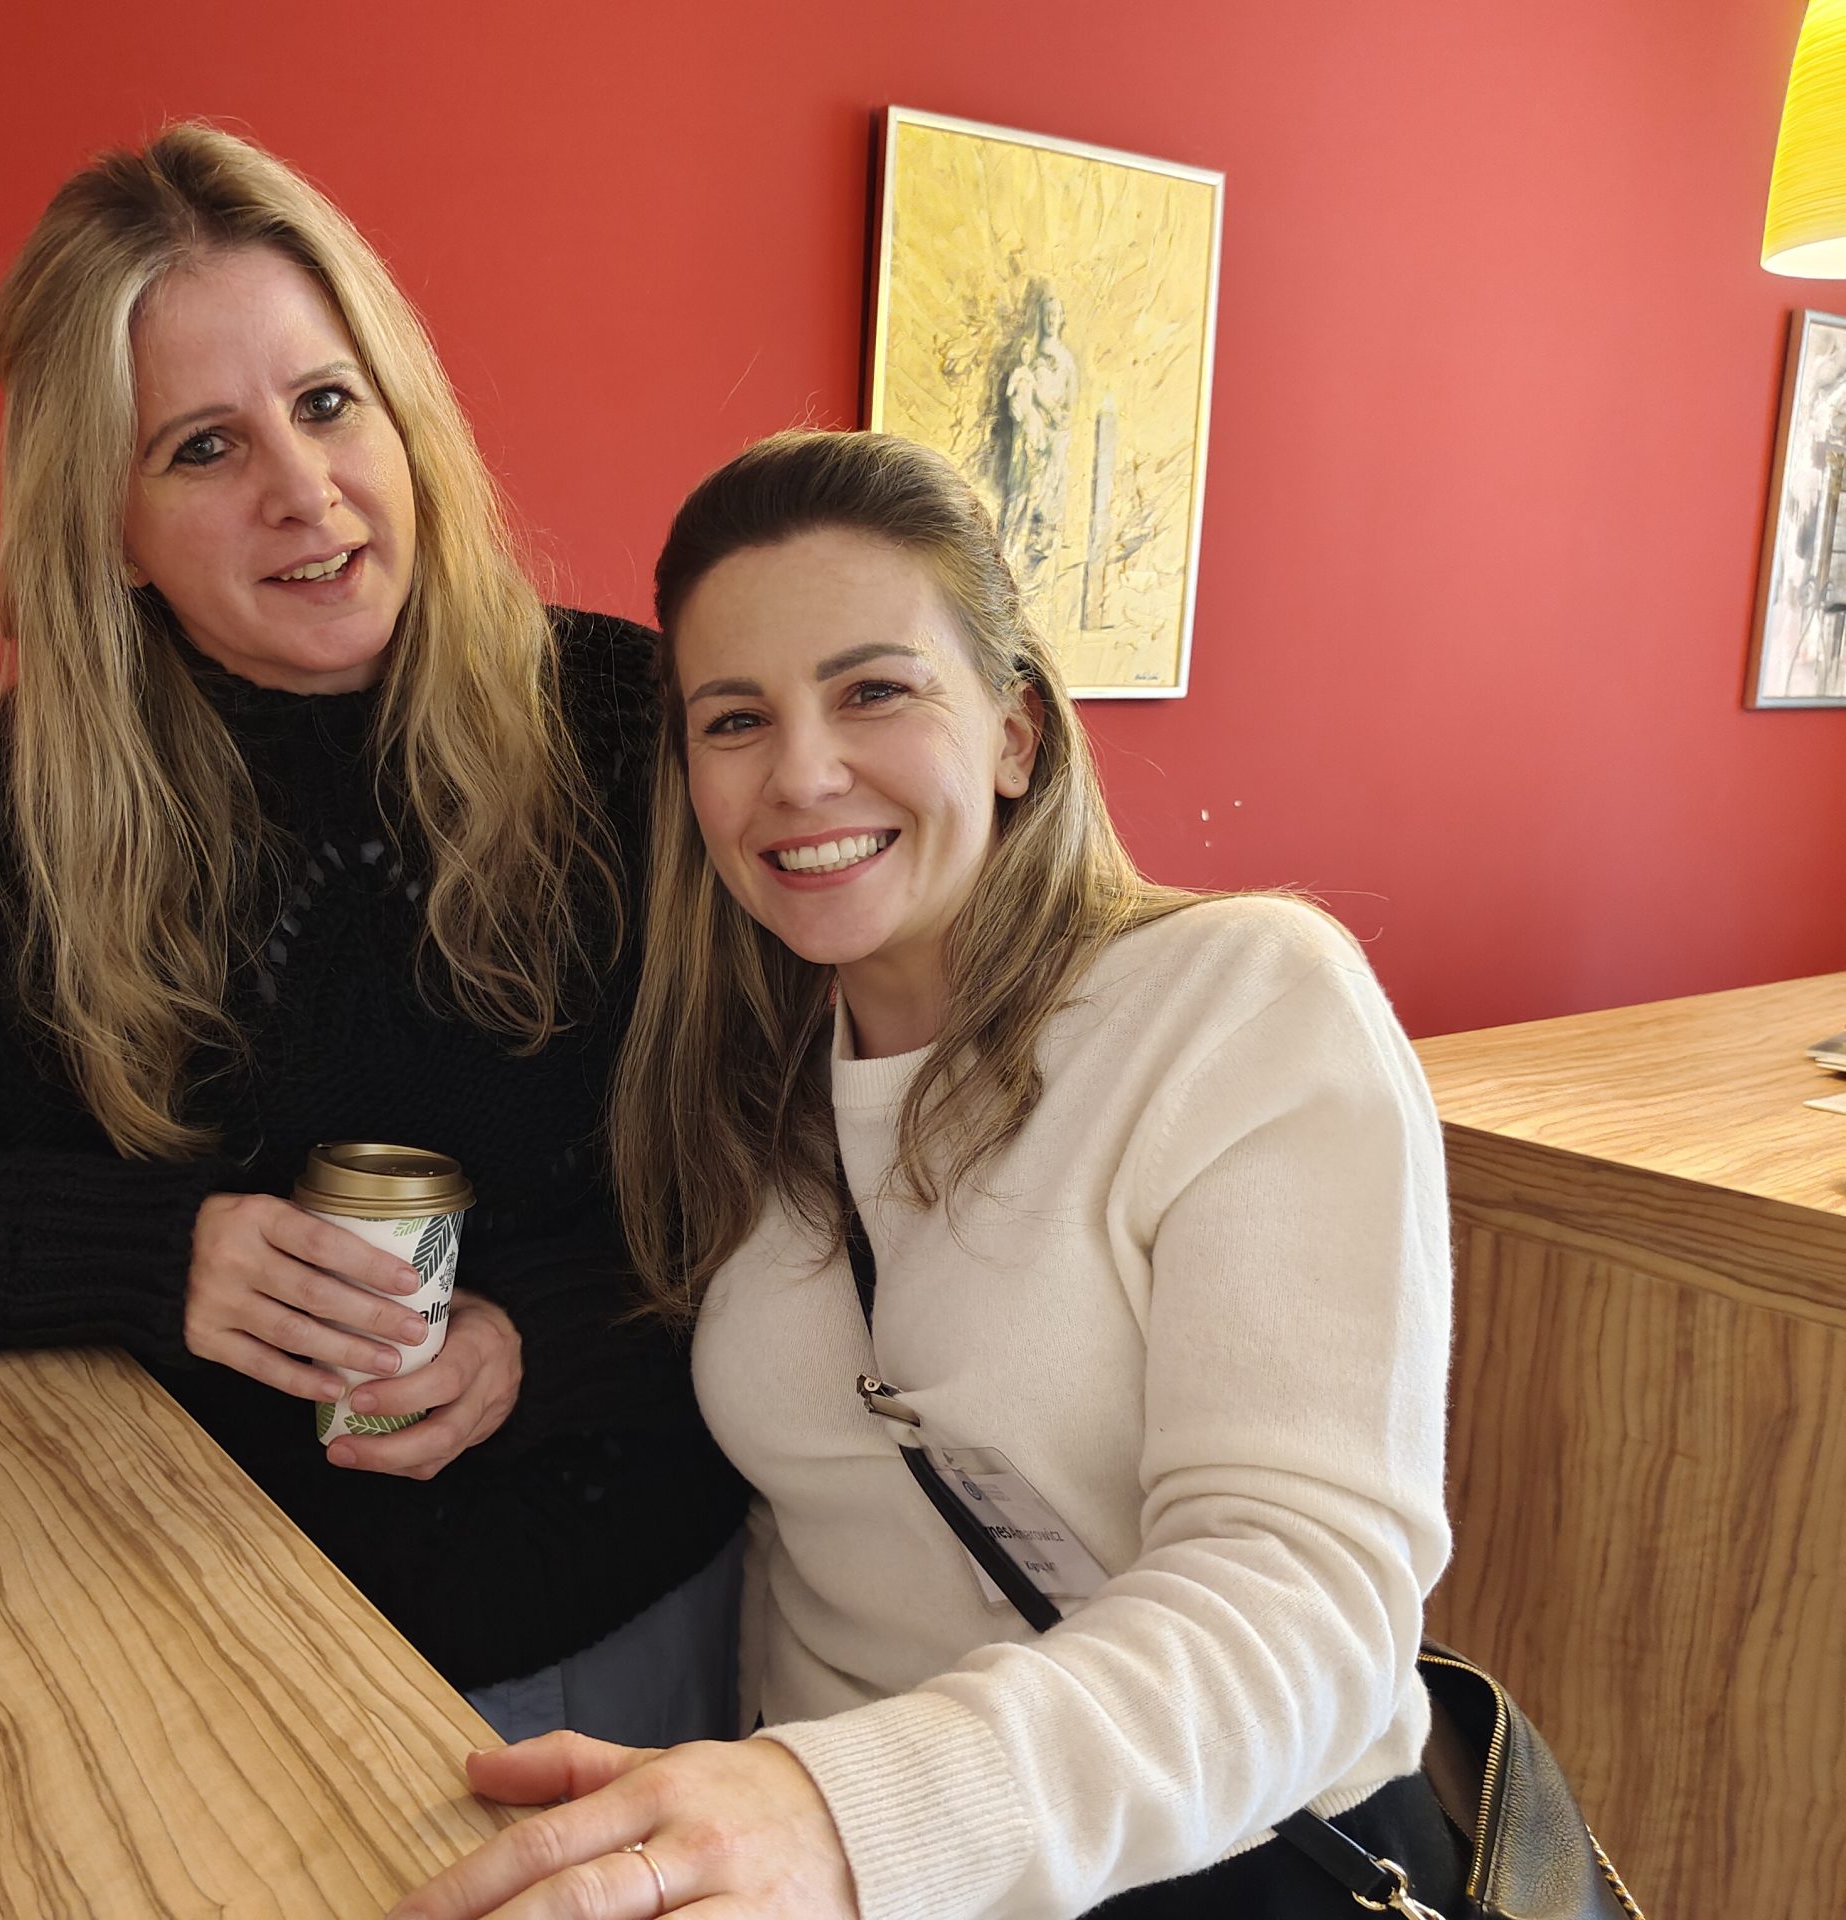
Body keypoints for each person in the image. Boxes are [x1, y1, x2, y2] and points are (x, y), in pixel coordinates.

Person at [0, 124, 745, 1747]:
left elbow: (824, 1173)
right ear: (106, 521)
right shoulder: (15, 807)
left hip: (623, 1626)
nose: (304, 492)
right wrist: (142, 1254)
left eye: (327, 403)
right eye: (202, 448)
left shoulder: (639, 729)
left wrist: (538, 1342)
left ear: (405, 414)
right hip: (175, 1648)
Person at [392, 429, 1460, 1919]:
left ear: (1016, 731)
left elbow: (1309, 1604)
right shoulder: (742, 1081)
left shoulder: (1240, 1002)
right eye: (735, 719)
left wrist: (846, 1811)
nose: (801, 773)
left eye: (875, 691)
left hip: (1206, 1867)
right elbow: (811, 1538)